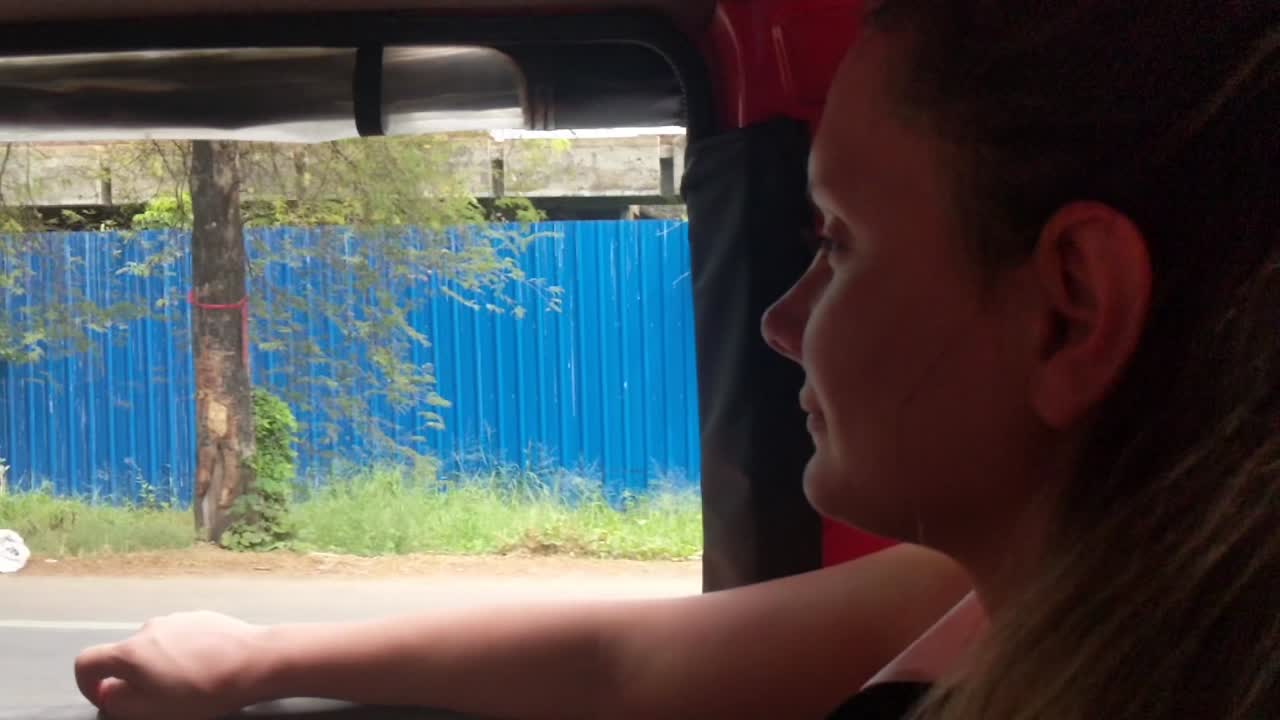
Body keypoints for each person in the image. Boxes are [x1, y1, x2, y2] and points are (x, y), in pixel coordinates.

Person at [76, 1, 1279, 718]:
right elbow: (627, 661)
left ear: (1069, 309)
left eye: (835, 244)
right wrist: (252, 657)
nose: (779, 321)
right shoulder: (1044, 582)